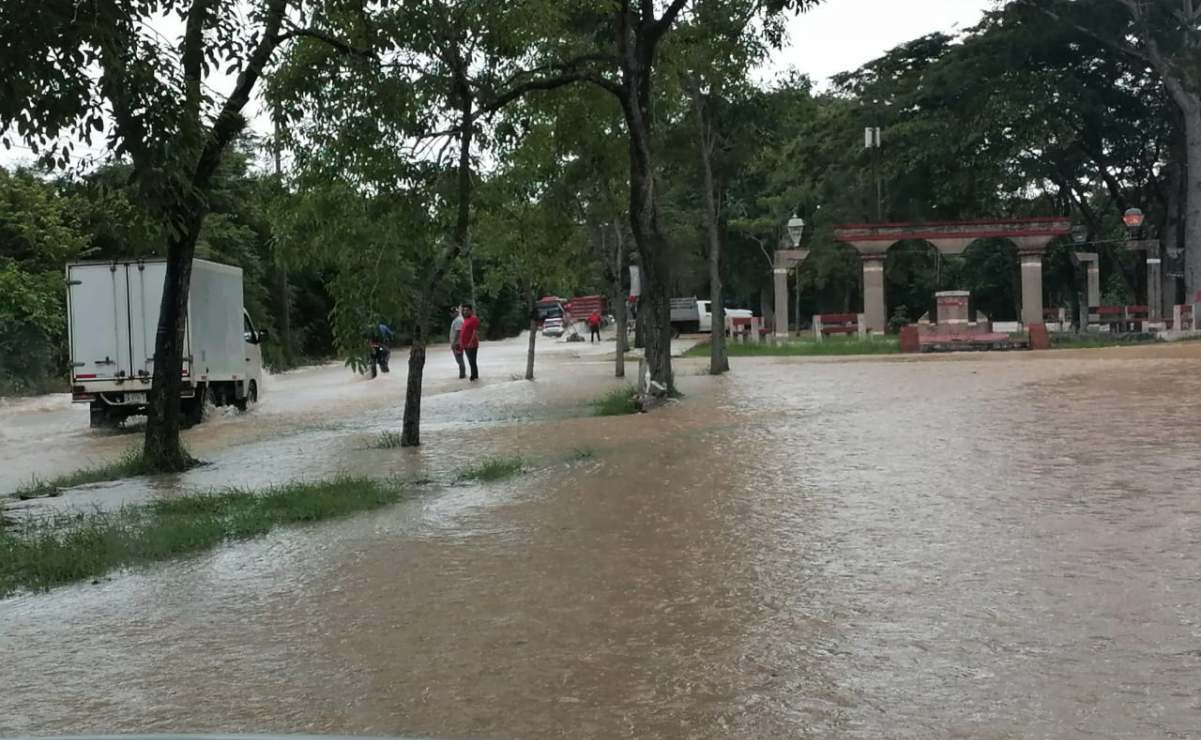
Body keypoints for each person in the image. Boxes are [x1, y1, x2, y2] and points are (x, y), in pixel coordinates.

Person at [459, 304, 481, 381]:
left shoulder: (474, 319)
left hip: (471, 344)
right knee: (470, 360)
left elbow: (475, 332)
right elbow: (463, 332)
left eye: (467, 310)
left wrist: (470, 342)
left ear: (471, 311)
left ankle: (473, 376)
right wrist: (461, 343)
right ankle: (475, 376)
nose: (465, 312)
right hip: (465, 344)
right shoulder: (465, 319)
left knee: (472, 360)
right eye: (464, 310)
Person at [449, 306, 466, 379]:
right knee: (459, 359)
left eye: (453, 313)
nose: (451, 314)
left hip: (457, 343)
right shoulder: (457, 319)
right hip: (458, 343)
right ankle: (463, 374)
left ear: (456, 312)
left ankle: (462, 375)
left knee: (459, 359)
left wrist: (453, 343)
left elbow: (458, 332)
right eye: (451, 313)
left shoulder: (458, 320)